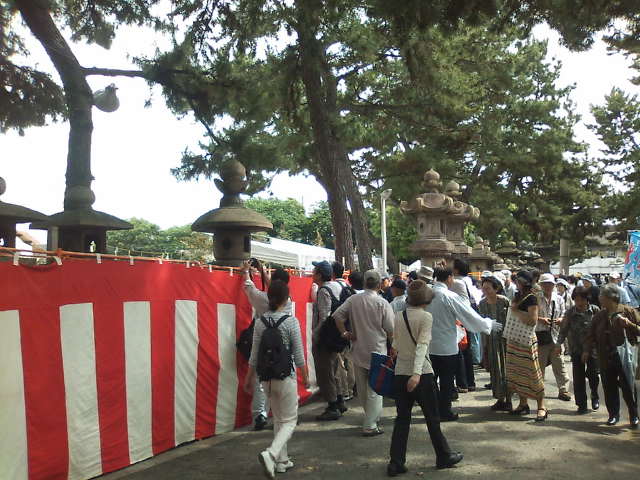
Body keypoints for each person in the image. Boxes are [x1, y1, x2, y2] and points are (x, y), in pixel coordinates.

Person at [387, 281, 463, 476]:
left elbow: (395, 342)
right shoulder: (426, 317)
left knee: (402, 419)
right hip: (422, 374)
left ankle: (396, 462)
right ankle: (443, 456)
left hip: (400, 372)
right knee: (432, 418)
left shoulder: (398, 315)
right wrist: (417, 373)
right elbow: (422, 346)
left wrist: (396, 356)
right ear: (426, 300)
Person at [244, 280, 309, 478]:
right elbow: (298, 355)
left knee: (279, 418)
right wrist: (306, 377)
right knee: (290, 420)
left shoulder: (260, 322)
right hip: (285, 377)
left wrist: (248, 379)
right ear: (285, 299)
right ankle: (271, 454)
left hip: (266, 378)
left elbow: (254, 355)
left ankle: (282, 462)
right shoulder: (291, 322)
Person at [426, 268, 503, 421]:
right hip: (447, 345)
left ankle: (431, 410)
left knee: (431, 380)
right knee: (447, 380)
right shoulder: (449, 296)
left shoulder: (427, 294)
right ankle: (444, 411)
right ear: (449, 278)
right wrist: (486, 324)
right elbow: (468, 315)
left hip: (428, 344)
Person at [333, 270, 394, 436]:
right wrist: (394, 347)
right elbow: (390, 329)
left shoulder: (353, 300)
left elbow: (337, 316)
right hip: (378, 349)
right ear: (379, 284)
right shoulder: (382, 303)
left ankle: (370, 418)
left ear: (365, 282)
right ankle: (370, 424)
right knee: (375, 388)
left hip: (358, 348)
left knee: (362, 388)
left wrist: (345, 333)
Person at [241, 260, 293, 431]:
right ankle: (281, 415)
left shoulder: (262, 300)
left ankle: (260, 415)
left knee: (260, 380)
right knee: (282, 380)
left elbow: (249, 287)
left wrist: (247, 271)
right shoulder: (288, 301)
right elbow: (276, 290)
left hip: (263, 344)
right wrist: (263, 272)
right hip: (283, 347)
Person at [583, 284, 640, 427]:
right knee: (609, 386)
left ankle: (634, 415)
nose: (599, 298)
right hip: (605, 355)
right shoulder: (599, 316)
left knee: (628, 385)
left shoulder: (628, 311)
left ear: (611, 298)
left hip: (624, 356)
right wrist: (586, 350)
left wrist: (629, 325)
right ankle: (613, 415)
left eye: (602, 296)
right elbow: (590, 335)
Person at [506, 270, 548, 422]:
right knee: (517, 373)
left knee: (532, 373)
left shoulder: (531, 298)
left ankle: (541, 406)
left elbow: (532, 320)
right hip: (514, 339)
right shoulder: (518, 295)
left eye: (518, 280)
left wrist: (516, 311)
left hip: (526, 340)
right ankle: (523, 404)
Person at [555, 287, 600, 414]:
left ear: (587, 300)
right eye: (576, 300)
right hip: (576, 349)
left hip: (592, 349)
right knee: (578, 377)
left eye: (582, 300)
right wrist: (558, 344)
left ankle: (595, 395)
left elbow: (600, 328)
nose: (579, 303)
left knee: (593, 375)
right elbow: (563, 330)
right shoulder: (570, 313)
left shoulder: (595, 310)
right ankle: (581, 404)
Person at [311, 260, 345, 421]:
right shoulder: (339, 287)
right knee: (334, 369)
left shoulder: (323, 290)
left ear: (319, 274)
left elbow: (323, 316)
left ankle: (332, 406)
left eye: (314, 270)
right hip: (337, 336)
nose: (312, 273)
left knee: (325, 372)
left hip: (326, 338)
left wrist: (315, 335)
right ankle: (339, 400)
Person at [536, 274, 572, 402]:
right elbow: (530, 315)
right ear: (541, 285)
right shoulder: (536, 298)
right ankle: (539, 390)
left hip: (556, 335)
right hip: (541, 336)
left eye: (550, 284)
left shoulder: (559, 299)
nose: (548, 286)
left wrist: (561, 319)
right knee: (539, 365)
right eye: (545, 284)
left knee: (559, 363)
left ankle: (563, 389)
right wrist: (541, 319)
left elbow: (564, 313)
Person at [479, 276, 511, 411]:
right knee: (495, 370)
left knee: (506, 369)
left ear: (496, 288)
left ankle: (509, 399)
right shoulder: (482, 303)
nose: (485, 290)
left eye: (488, 288)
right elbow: (481, 322)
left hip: (505, 340)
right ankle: (500, 398)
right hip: (490, 340)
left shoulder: (504, 301)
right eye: (484, 288)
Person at [451, 259, 479, 392]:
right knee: (466, 349)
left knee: (460, 350)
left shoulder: (456, 282)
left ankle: (463, 383)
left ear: (456, 270)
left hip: (460, 318)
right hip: (468, 316)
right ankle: (470, 382)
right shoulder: (468, 280)